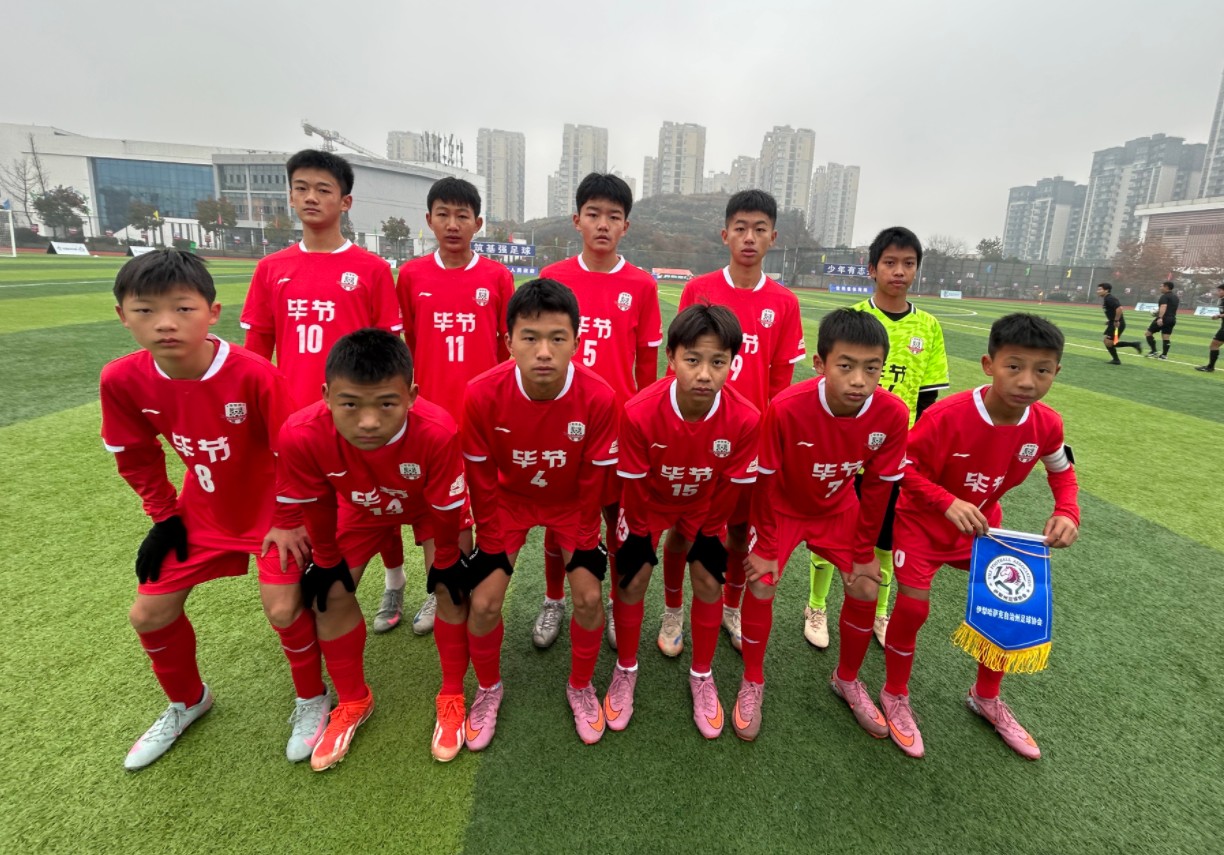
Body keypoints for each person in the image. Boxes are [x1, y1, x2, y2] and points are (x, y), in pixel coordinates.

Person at [100, 249, 315, 770]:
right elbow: (136, 455)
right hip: (201, 512)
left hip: (273, 513)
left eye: (182, 308)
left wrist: (289, 520)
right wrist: (164, 516)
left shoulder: (254, 374)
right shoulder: (121, 379)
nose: (165, 323)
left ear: (212, 313)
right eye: (146, 310)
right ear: (123, 315)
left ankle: (313, 698)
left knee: (283, 609)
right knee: (148, 614)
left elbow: (295, 454)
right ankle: (187, 701)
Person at [881, 313, 1080, 760]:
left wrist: (1067, 511)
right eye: (1014, 366)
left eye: (1042, 370)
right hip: (923, 523)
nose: (1027, 381)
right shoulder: (946, 416)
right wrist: (946, 502)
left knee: (1007, 603)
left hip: (982, 526)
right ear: (989, 365)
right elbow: (902, 469)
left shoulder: (1047, 424)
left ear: (1056, 372)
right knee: (913, 607)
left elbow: (1062, 473)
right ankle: (894, 693)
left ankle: (985, 697)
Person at [274, 329, 468, 767]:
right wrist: (326, 560)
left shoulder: (437, 430)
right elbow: (317, 503)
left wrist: (446, 562)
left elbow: (445, 507)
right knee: (329, 594)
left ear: (411, 396)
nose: (367, 421)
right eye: (350, 404)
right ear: (326, 395)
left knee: (452, 588)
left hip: (427, 506)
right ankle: (353, 700)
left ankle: (453, 694)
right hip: (359, 506)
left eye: (386, 404)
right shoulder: (301, 433)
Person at [239, 149, 409, 637]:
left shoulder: (371, 269)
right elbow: (255, 355)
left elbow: (389, 351)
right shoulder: (271, 269)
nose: (311, 197)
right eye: (302, 188)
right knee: (312, 512)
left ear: (345, 201)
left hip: (358, 416)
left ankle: (394, 581)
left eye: (323, 189)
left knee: (378, 501)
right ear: (290, 196)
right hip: (296, 422)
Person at [736, 309, 909, 741]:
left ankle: (847, 679)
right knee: (761, 581)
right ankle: (752, 680)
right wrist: (765, 547)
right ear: (820, 363)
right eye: (845, 366)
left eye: (872, 369)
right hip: (781, 508)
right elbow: (765, 482)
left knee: (866, 584)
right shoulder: (786, 407)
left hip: (837, 508)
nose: (859, 381)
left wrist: (864, 552)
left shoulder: (891, 414)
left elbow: (878, 489)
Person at [461, 279, 619, 746]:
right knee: (484, 602)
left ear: (577, 341)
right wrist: (491, 539)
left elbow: (592, 483)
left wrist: (585, 540)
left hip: (571, 504)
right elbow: (481, 479)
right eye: (529, 337)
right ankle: (488, 689)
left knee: (588, 598)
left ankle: (581, 687)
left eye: (557, 338)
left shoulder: (599, 397)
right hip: (509, 503)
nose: (544, 352)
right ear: (508, 341)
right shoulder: (480, 394)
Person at [608, 304, 760, 738]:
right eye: (693, 360)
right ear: (671, 357)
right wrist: (640, 540)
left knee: (710, 580)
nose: (705, 374)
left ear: (732, 363)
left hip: (704, 503)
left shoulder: (746, 418)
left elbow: (729, 488)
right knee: (632, 577)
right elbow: (634, 486)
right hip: (649, 501)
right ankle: (625, 669)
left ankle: (702, 675)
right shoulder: (638, 411)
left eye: (718, 362)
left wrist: (709, 535)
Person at [675, 190, 805, 657]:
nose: (749, 237)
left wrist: (770, 439)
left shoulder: (784, 302)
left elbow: (781, 385)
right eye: (741, 228)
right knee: (684, 526)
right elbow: (681, 364)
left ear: (773, 237)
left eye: (759, 229)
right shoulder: (699, 289)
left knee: (738, 530)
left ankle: (730, 604)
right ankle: (674, 609)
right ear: (725, 234)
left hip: (750, 440)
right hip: (699, 432)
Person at [806, 227, 949, 651]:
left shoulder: (929, 327)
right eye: (889, 262)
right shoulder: (851, 318)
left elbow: (927, 400)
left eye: (908, 263)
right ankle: (816, 606)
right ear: (872, 269)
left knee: (886, 537)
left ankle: (879, 612)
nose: (898, 271)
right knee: (831, 529)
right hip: (846, 450)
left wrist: (913, 451)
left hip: (895, 454)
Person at [537, 173, 662, 652]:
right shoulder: (553, 277)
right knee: (558, 520)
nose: (603, 224)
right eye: (594, 214)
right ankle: (553, 599)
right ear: (577, 220)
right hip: (560, 423)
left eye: (613, 216)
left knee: (617, 521)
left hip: (619, 427)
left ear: (626, 225)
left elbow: (646, 368)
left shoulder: (642, 285)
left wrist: (643, 424)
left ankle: (611, 601)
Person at [395, 176, 513, 634]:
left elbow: (506, 349)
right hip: (430, 416)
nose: (452, 224)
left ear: (477, 223)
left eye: (462, 216)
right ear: (429, 220)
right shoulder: (411, 276)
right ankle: (441, 590)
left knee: (487, 503)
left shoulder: (497, 277)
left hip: (482, 416)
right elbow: (406, 346)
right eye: (443, 214)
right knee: (438, 509)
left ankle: (479, 587)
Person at [1097, 282, 1142, 363]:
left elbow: (1119, 308)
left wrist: (1116, 320)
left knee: (1108, 342)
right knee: (1109, 342)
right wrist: (1110, 320)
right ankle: (1133, 345)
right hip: (1114, 323)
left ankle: (1117, 359)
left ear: (1106, 290)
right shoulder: (1107, 298)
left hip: (1117, 324)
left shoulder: (1109, 298)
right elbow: (1113, 311)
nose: (1098, 291)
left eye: (1100, 289)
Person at [1144, 281, 1180, 359]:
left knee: (1148, 333)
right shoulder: (1176, 297)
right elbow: (1170, 308)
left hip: (1164, 318)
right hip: (1172, 319)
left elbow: (1164, 306)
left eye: (1161, 286)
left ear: (1166, 287)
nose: (1160, 288)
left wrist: (1160, 317)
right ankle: (1164, 355)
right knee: (1166, 337)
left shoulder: (1164, 296)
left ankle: (1154, 351)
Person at [1194, 283, 1224, 372]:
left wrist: (1218, 316)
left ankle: (1210, 367)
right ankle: (1210, 367)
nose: (1218, 292)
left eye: (1220, 290)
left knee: (1214, 345)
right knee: (1214, 345)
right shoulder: (1221, 300)